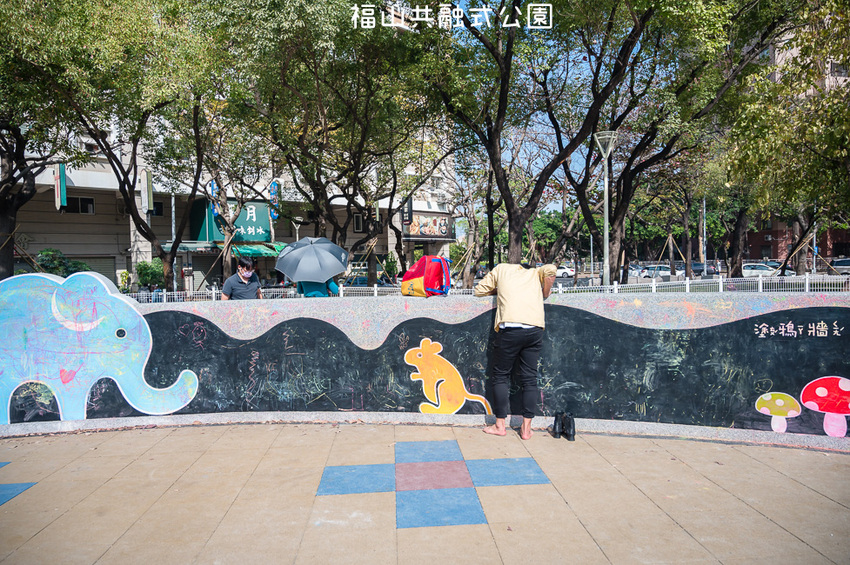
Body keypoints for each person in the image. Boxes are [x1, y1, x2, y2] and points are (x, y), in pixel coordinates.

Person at [473, 262, 557, 440]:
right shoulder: (535, 273)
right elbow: (551, 270)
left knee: (501, 375)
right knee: (529, 378)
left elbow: (479, 290)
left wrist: (498, 290)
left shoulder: (501, 269)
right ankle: (526, 430)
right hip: (534, 329)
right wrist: (545, 292)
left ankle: (499, 425)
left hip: (510, 329)